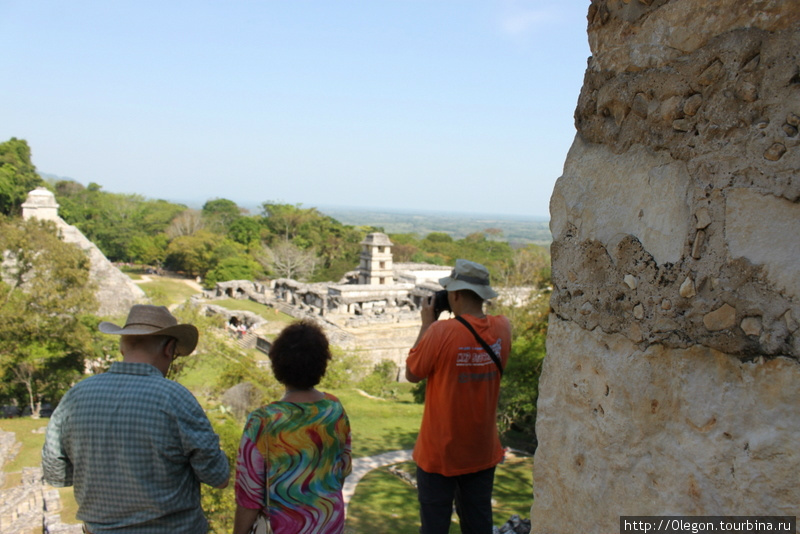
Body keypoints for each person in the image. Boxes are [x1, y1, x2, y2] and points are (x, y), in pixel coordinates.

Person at [41, 305, 230, 534]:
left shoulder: (76, 396)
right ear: (169, 349)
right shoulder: (175, 398)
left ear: (122, 345)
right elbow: (218, 477)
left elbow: (56, 473)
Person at [405, 259, 512, 534]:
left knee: (434, 527)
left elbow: (412, 373)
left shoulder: (440, 332)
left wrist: (427, 325)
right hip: (482, 450)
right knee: (478, 525)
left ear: (455, 294)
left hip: (439, 453)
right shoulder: (503, 329)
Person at [233, 319, 352, 534]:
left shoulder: (263, 421)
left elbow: (248, 498)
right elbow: (341, 471)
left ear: (278, 363)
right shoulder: (334, 409)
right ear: (322, 364)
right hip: (329, 524)